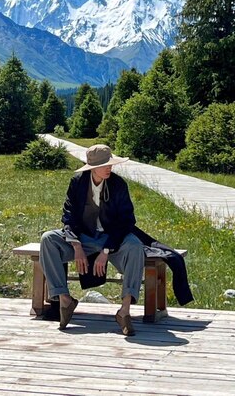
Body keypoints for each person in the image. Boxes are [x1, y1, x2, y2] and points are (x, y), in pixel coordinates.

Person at [40, 144, 144, 336]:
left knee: (136, 246)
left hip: (112, 239)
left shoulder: (118, 184)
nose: (109, 168)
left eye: (110, 164)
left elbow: (126, 221)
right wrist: (75, 244)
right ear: (92, 168)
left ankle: (124, 311)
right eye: (104, 165)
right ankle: (64, 299)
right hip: (84, 238)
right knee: (48, 239)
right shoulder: (78, 182)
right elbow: (68, 216)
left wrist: (105, 251)